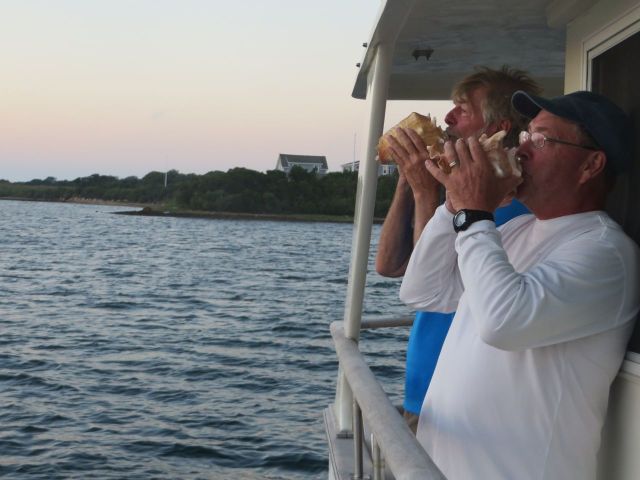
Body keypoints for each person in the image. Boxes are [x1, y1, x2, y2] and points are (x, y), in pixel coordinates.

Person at [399, 90, 640, 479]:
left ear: (591, 165)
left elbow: (504, 322)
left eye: (541, 139)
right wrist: (452, 206)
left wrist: (475, 212)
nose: (522, 149)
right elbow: (423, 291)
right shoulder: (513, 229)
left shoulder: (606, 253)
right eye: (525, 135)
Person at [375, 66, 539, 431]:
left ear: (498, 129)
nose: (447, 117)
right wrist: (408, 179)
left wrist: (424, 191)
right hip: (423, 390)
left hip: (462, 403)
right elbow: (388, 265)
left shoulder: (512, 211)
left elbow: (431, 285)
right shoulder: (455, 198)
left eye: (463, 109)